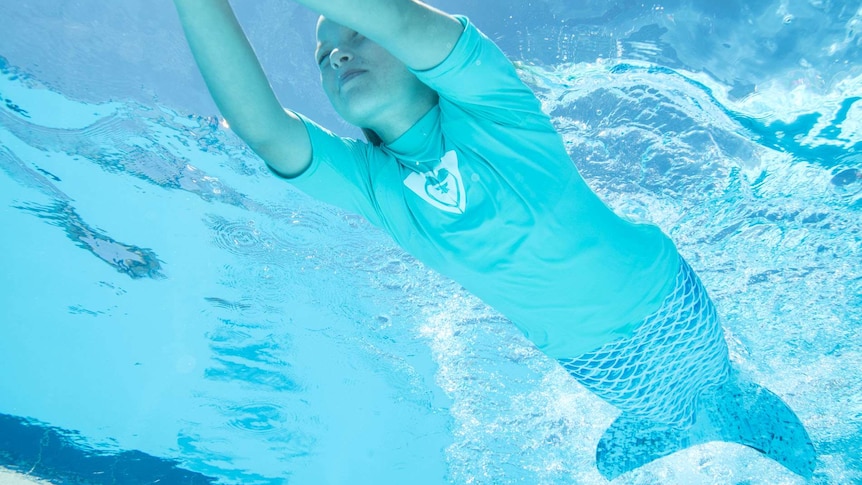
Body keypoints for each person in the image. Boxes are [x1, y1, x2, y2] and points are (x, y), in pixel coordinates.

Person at [173, 0, 816, 479]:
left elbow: (398, 17)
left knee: (732, 408)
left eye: (352, 31)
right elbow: (263, 128)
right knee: (680, 421)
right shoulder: (379, 188)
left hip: (668, 312)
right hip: (599, 367)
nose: (337, 52)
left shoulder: (492, 102)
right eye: (322, 55)